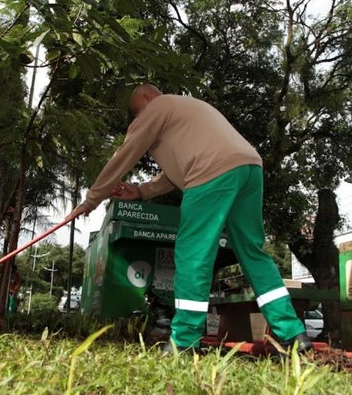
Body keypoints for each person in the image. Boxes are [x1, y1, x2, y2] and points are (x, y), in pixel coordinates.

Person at [66, 84, 312, 354]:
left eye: (137, 112)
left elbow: (125, 154)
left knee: (193, 254)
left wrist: (91, 200)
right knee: (252, 253)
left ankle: (184, 341)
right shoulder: (185, 110)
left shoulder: (158, 107)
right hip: (249, 168)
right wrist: (140, 191)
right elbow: (174, 174)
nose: (137, 119)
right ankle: (293, 333)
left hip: (210, 173)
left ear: (147, 98)